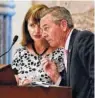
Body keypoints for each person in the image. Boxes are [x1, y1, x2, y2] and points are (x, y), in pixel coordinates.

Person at [40, 6, 94, 98]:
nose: (43, 35)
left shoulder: (82, 38)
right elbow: (71, 91)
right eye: (42, 30)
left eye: (46, 28)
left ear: (63, 25)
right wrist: (55, 76)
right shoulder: (68, 48)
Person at [11, 4, 66, 86]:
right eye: (32, 25)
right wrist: (20, 86)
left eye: (40, 25)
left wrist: (55, 76)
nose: (36, 31)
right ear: (26, 27)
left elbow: (68, 89)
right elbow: (11, 86)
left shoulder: (61, 53)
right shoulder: (20, 53)